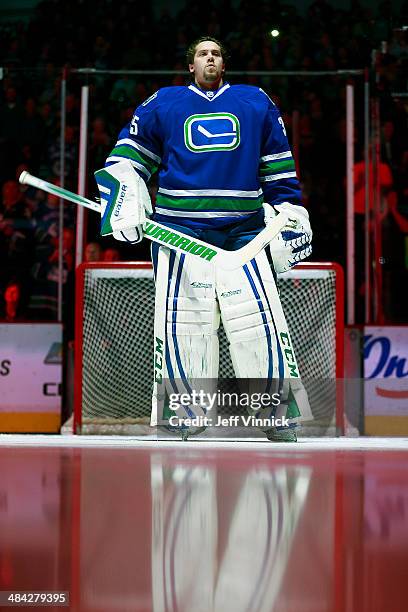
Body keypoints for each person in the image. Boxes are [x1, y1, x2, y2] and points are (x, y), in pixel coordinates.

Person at [97, 37, 313, 441]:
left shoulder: (255, 102)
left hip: (244, 232)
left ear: (224, 64)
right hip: (178, 232)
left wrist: (289, 210)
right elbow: (127, 157)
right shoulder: (163, 102)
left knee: (258, 323)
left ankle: (275, 415)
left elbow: (278, 165)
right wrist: (124, 194)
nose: (209, 58)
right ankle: (187, 413)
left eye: (215, 53)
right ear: (190, 64)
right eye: (202, 53)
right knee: (184, 325)